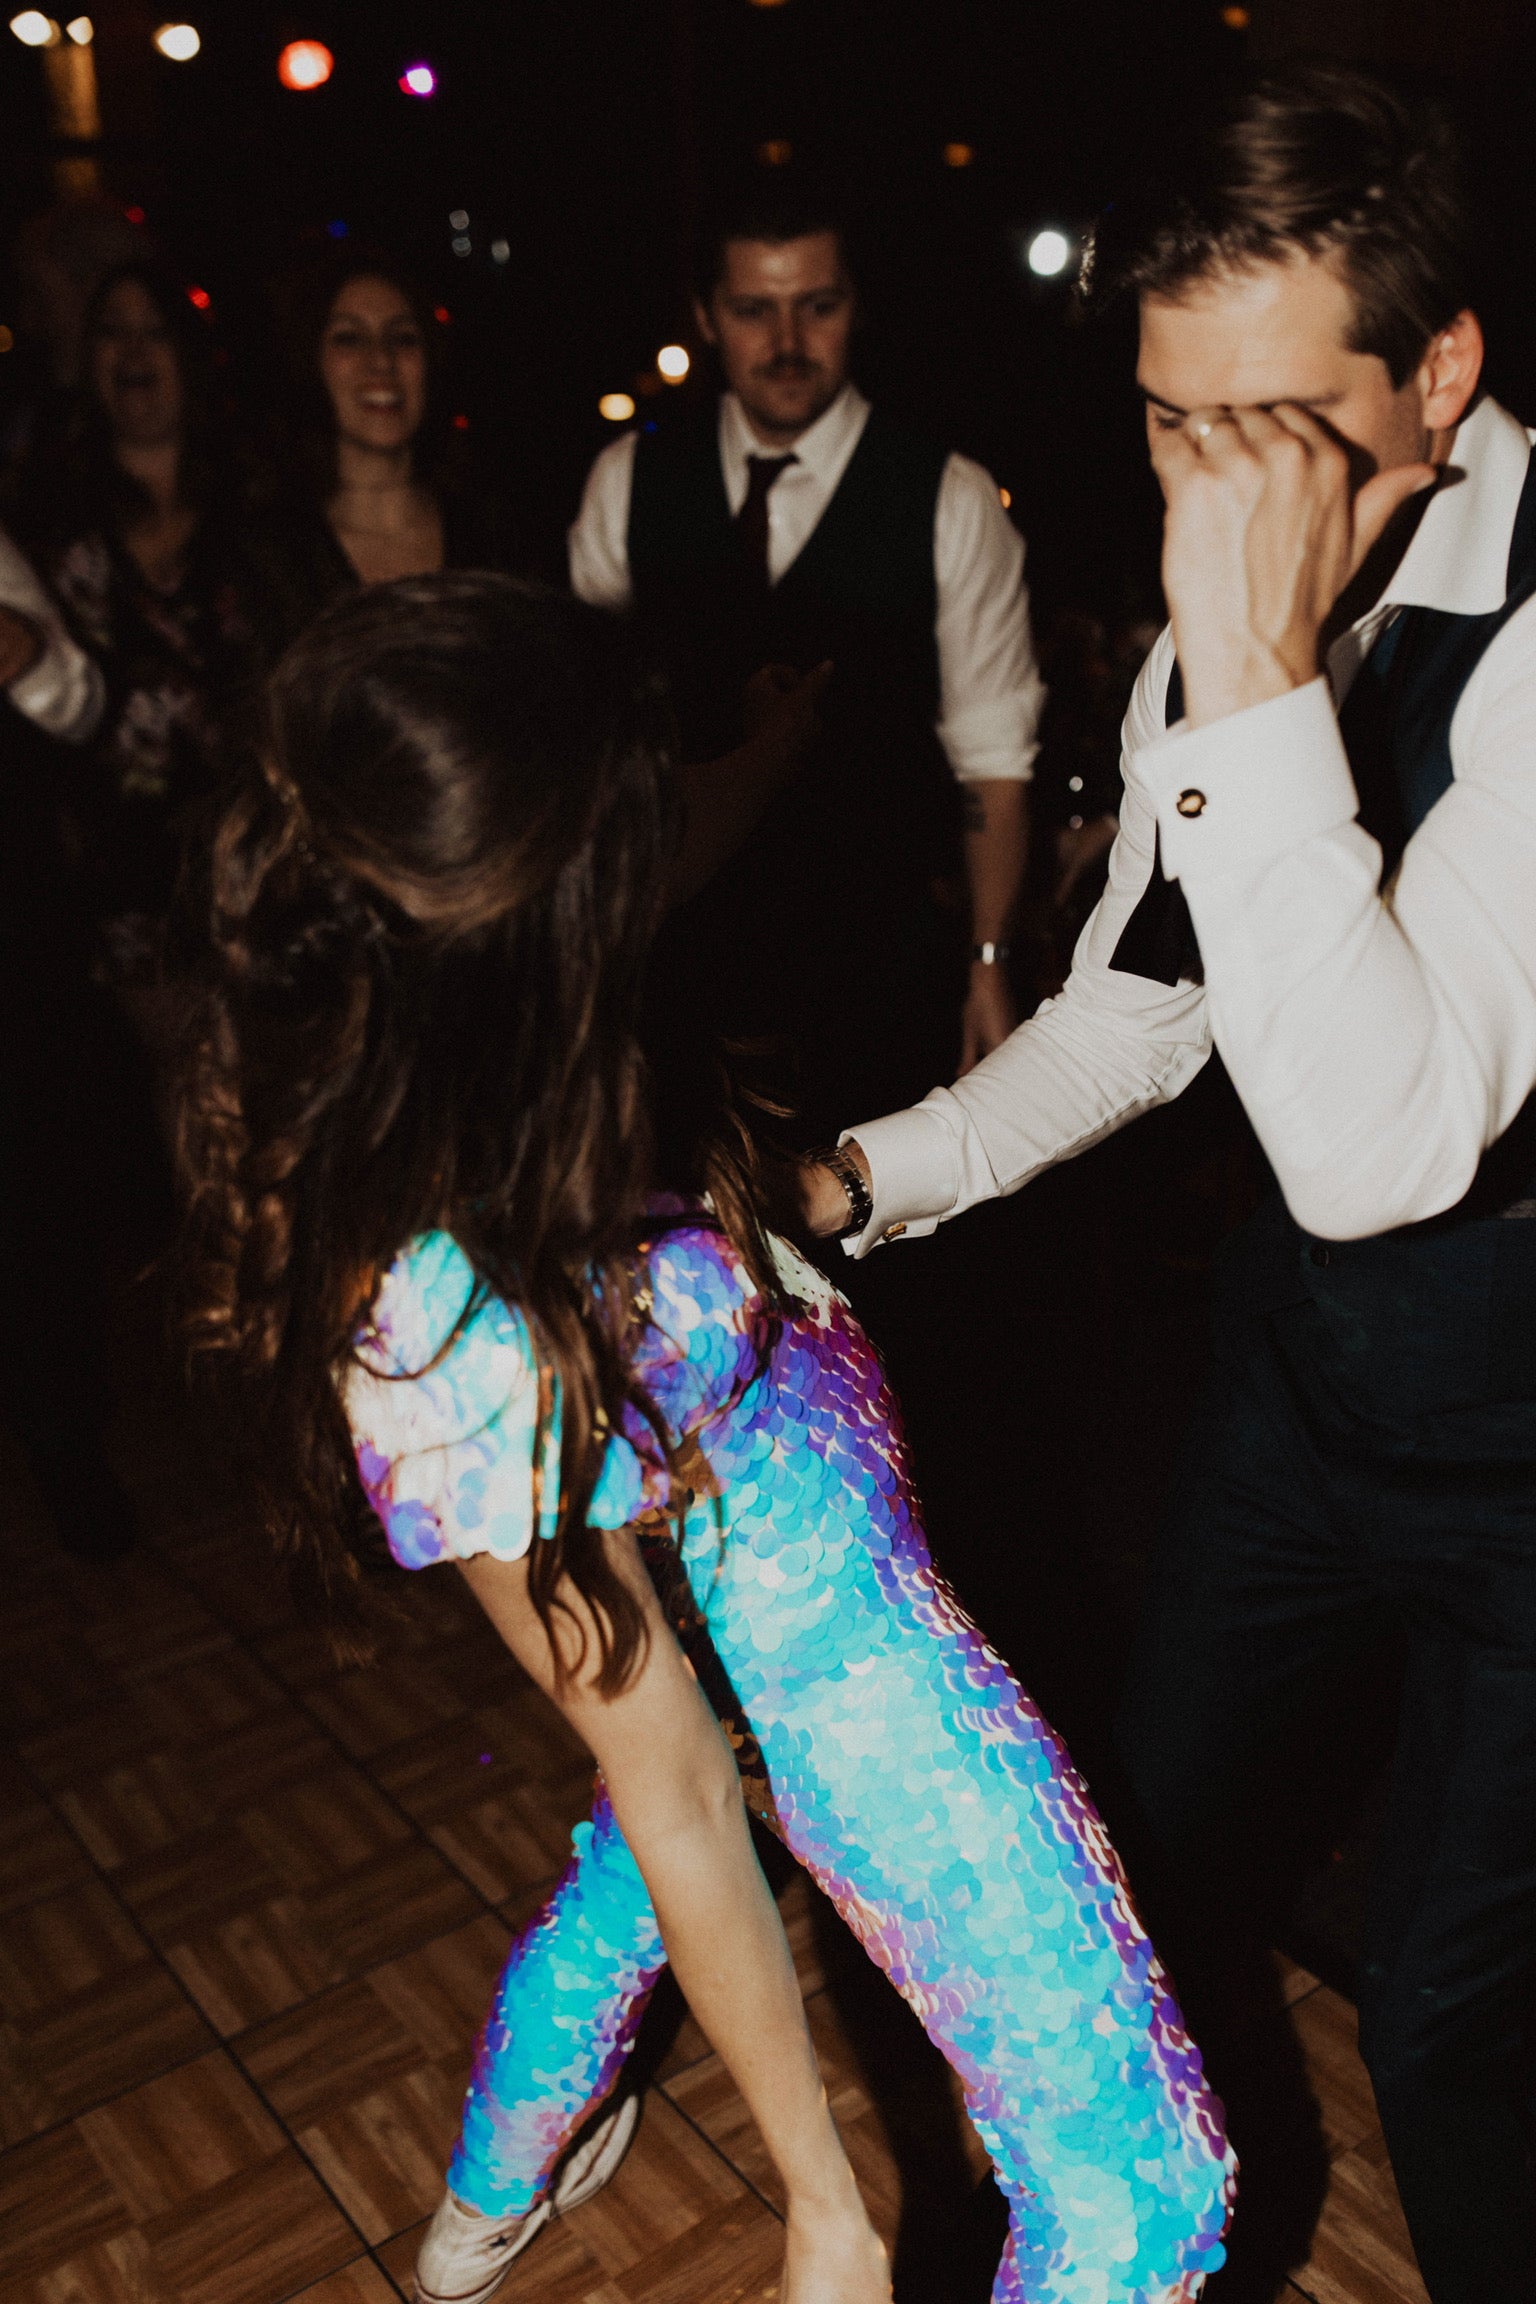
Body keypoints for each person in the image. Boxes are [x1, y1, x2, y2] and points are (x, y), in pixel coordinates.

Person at [174, 572, 1234, 2304]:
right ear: (526, 927)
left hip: (772, 1528)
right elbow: (673, 1777)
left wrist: (783, 737)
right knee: (1144, 2193)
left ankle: (487, 2194)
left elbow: (680, 826)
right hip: (839, 1661)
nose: (656, 852)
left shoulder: (453, 996)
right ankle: (487, 2201)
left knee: (624, 1887)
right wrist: (828, 2193)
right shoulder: (449, 1338)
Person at [806, 62, 1536, 2304]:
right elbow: (1150, 995)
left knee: (1450, 2016)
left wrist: (1239, 673)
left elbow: (1381, 1147)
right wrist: (859, 1180)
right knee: (1140, 1876)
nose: (1204, 496)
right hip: (1309, 1398)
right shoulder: (1226, 617)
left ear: (1436, 377)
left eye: (1266, 434)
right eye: (1162, 426)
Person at [570, 181, 1045, 1137]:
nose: (787, 341)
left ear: (854, 309)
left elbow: (992, 759)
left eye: (815, 306)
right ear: (708, 318)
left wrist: (988, 967)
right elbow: (582, 741)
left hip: (877, 974)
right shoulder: (629, 479)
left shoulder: (947, 495)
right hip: (673, 970)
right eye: (754, 309)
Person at [5, 257, 260, 972]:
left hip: (245, 886)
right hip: (88, 901)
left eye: (155, 331)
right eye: (113, 332)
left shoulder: (260, 509)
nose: (134, 351)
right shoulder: (42, 513)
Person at [248, 252, 522, 650]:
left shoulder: (496, 536)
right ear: (310, 364)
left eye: (403, 338)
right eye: (350, 338)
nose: (381, 360)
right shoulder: (268, 558)